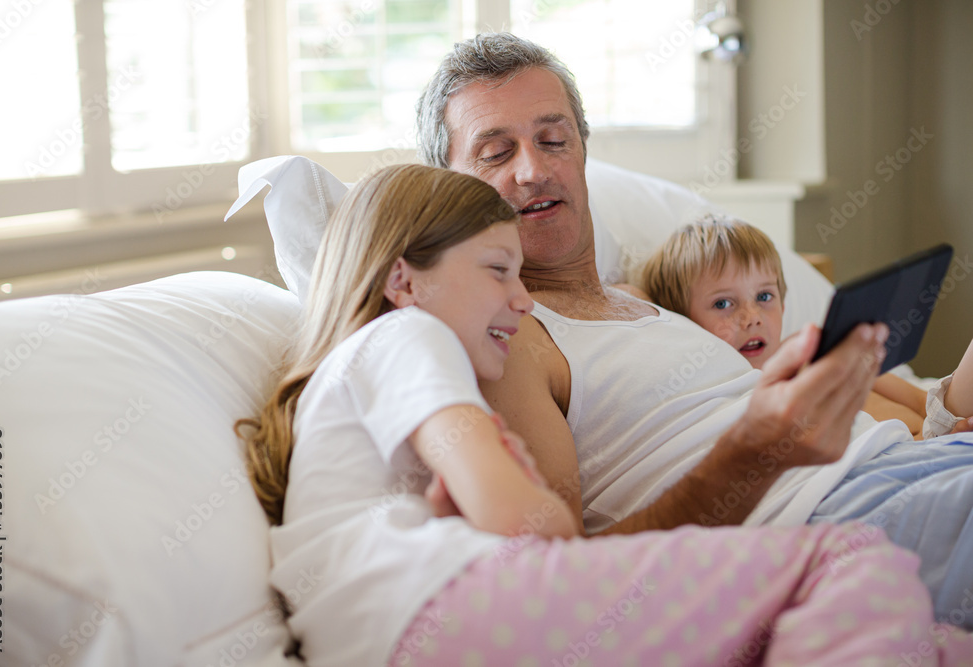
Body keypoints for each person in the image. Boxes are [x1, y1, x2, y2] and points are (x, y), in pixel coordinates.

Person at [238, 162, 971, 666]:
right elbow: (531, 524)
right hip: (454, 609)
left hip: (429, 629)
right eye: (498, 270)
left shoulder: (356, 399)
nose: (522, 301)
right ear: (404, 279)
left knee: (933, 638)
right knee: (855, 562)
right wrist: (514, 487)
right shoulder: (406, 334)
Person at [415, 30, 973, 630]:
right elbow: (572, 577)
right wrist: (751, 455)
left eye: (554, 140)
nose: (533, 170)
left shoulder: (652, 300)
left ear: (581, 152)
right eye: (497, 153)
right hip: (832, 517)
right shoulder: (511, 341)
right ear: (450, 186)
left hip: (909, 460)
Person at [637, 214, 973, 438]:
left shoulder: (813, 349)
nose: (751, 316)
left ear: (784, 302)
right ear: (684, 323)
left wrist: (950, 422)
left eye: (764, 296)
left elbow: (919, 397)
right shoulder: (734, 397)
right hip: (898, 459)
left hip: (937, 431)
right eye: (723, 303)